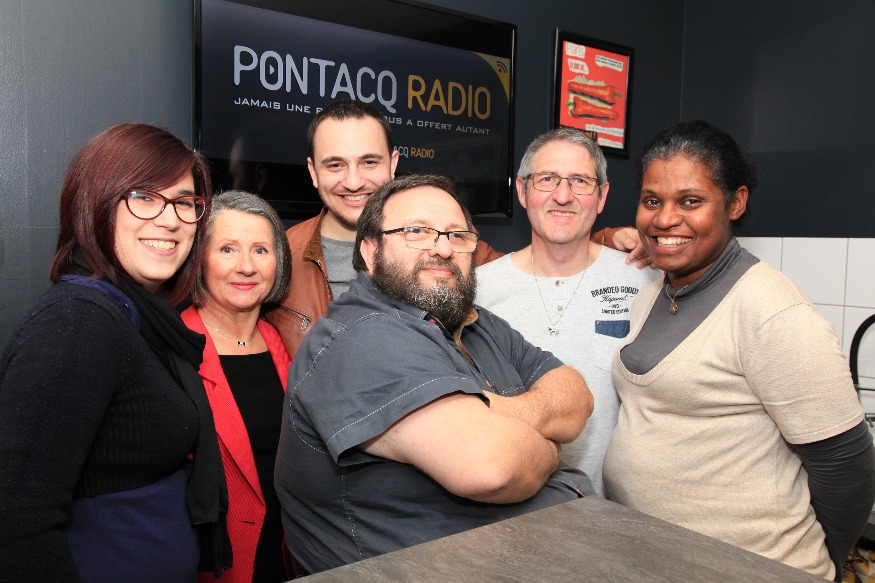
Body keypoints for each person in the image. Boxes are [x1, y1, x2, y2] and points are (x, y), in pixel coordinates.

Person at [275, 174, 595, 575]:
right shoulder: (359, 340)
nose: (443, 248)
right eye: (417, 231)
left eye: (457, 235)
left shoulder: (478, 322)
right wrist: (549, 449)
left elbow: (577, 398)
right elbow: (491, 468)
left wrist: (494, 412)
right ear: (371, 252)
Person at [602, 120, 875, 580]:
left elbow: (846, 466)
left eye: (690, 201)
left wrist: (809, 565)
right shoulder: (650, 296)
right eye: (652, 201)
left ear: (736, 202)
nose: (664, 219)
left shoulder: (770, 310)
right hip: (657, 558)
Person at [0, 123, 231, 581]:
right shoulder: (79, 321)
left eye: (185, 202)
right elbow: (16, 518)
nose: (170, 220)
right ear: (95, 203)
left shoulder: (141, 318)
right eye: (143, 196)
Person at [265, 98, 645, 358]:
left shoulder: (449, 241)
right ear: (313, 171)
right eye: (335, 165)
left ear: (393, 163)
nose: (353, 181)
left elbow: (534, 263)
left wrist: (606, 241)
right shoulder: (281, 257)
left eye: (369, 162)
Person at [476, 128, 659, 497]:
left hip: (619, 510)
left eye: (580, 181)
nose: (563, 196)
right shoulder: (479, 289)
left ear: (602, 196)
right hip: (510, 506)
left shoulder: (646, 280)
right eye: (547, 179)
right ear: (522, 190)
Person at [182, 191, 293, 583]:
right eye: (227, 249)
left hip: (291, 551)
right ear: (199, 259)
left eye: (260, 250)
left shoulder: (282, 342)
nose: (246, 266)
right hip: (218, 561)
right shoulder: (175, 348)